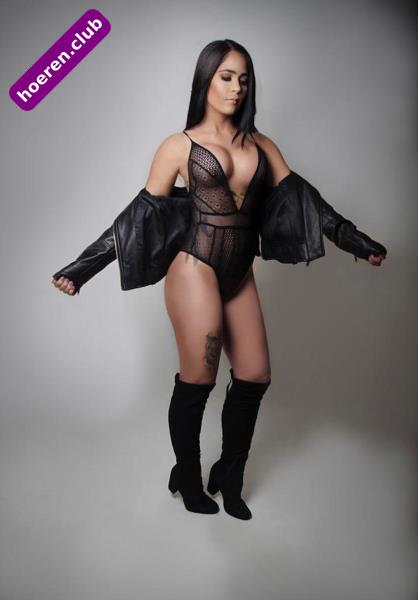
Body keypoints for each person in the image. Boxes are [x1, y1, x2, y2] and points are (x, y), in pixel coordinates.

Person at [51, 39, 386, 520]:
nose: (236, 88)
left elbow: (305, 200)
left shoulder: (261, 145)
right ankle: (188, 475)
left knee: (254, 375)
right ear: (205, 81)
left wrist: (355, 240)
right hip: (195, 268)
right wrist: (81, 269)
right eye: (226, 77)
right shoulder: (178, 146)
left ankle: (229, 474)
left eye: (243, 79)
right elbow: (138, 217)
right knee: (200, 377)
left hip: (239, 272)